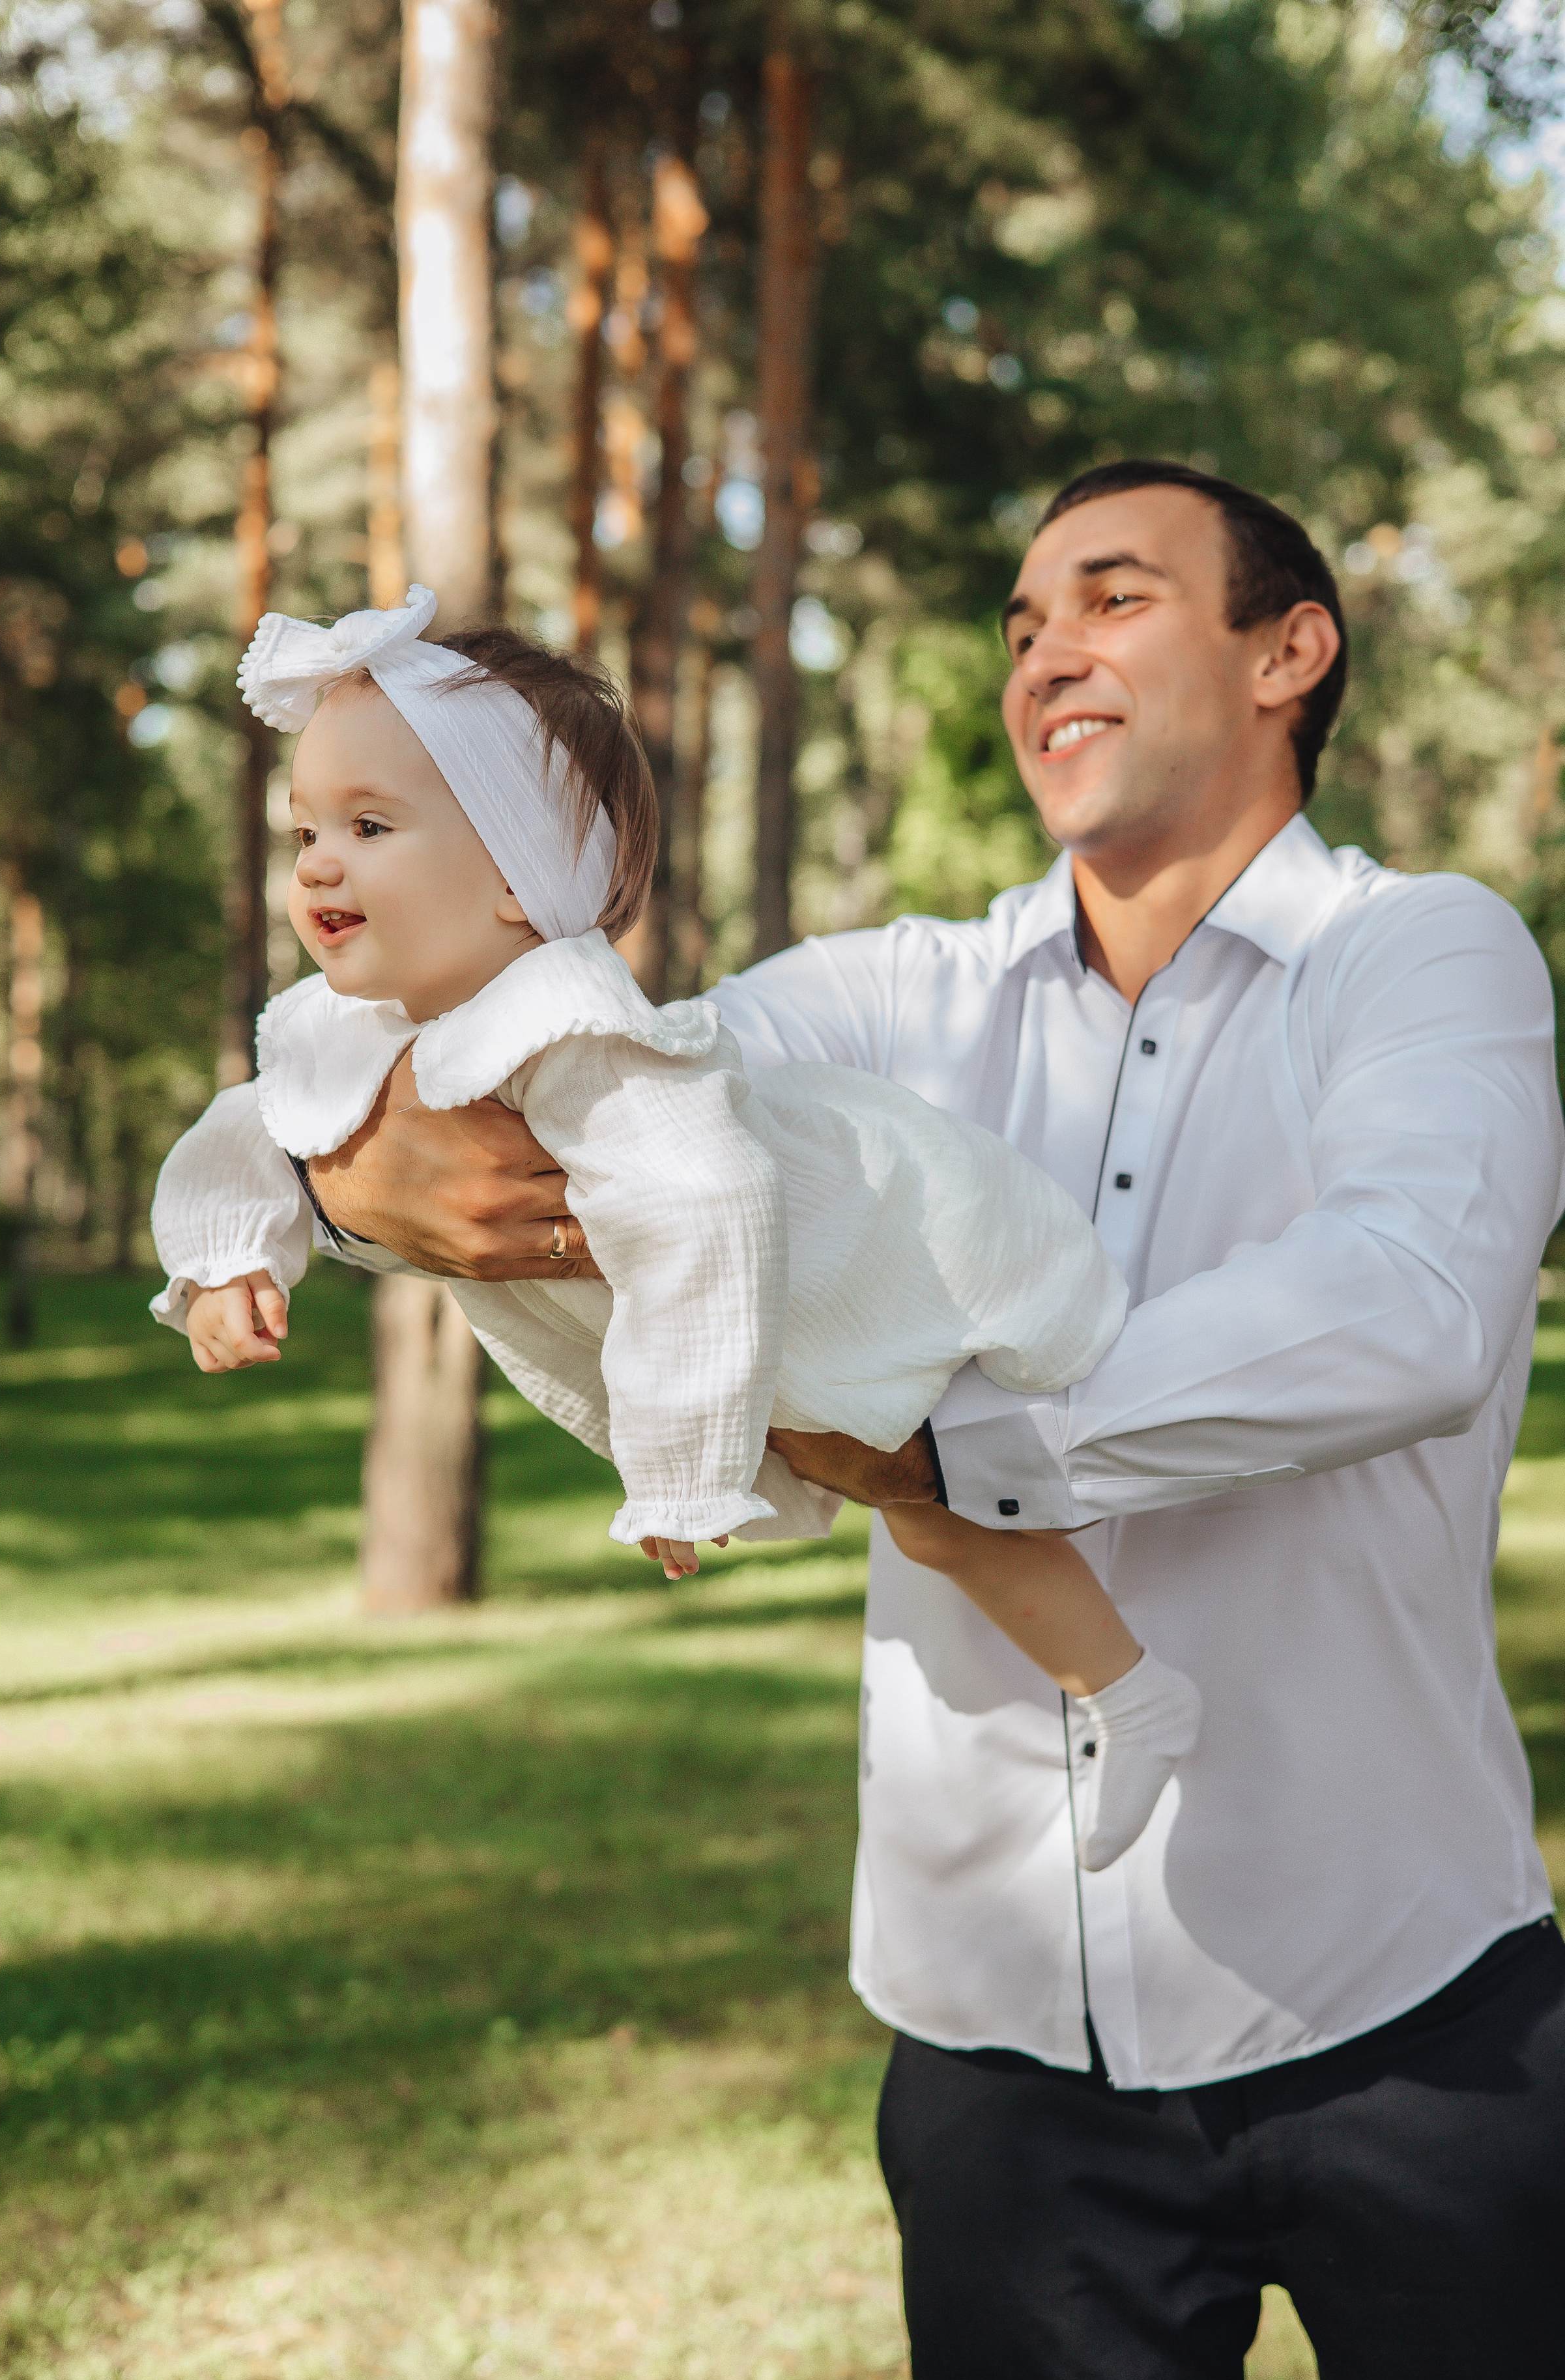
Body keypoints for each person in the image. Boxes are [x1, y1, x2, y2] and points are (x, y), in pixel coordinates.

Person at [261, 458, 1565, 2380]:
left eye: (1114, 598)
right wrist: (335, 1179)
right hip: (996, 2058)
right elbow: (564, 1081)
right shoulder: (890, 999)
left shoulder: (1429, 960)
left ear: (1290, 652)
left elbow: (1409, 1305)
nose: (1047, 651)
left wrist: (960, 1451)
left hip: (1406, 2001)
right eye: (1026, 619)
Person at [149, 591, 1201, 1872]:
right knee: (936, 1515)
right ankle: (1132, 1692)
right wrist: (225, 1257)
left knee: (948, 1478)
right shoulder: (346, 1026)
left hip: (868, 1250)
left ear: (518, 877)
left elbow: (702, 1218)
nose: (317, 863)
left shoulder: (576, 1030)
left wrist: (680, 1463)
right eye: (306, 829)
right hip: (795, 1329)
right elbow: (253, 1126)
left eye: (369, 828)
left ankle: (1133, 1682)